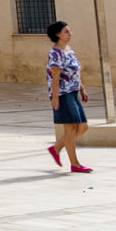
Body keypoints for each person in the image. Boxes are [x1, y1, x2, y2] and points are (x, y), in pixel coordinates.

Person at [45, 20, 92, 174]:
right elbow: (56, 76)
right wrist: (55, 98)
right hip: (63, 94)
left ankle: (57, 148)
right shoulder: (55, 53)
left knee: (83, 127)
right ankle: (75, 164)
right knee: (70, 129)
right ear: (57, 34)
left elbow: (75, 72)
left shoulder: (69, 50)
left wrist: (82, 89)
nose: (70, 34)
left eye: (70, 31)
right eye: (66, 31)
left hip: (73, 92)